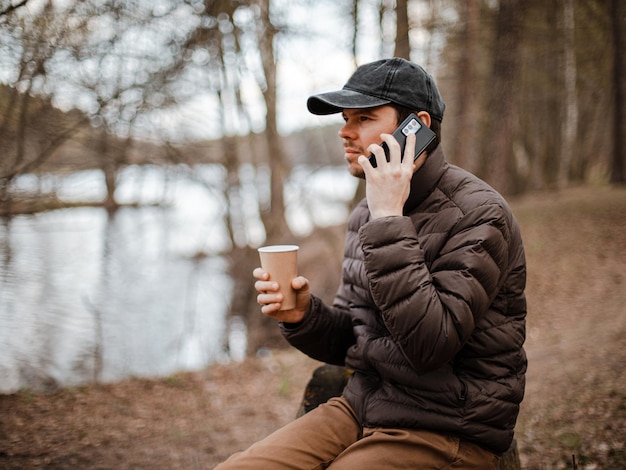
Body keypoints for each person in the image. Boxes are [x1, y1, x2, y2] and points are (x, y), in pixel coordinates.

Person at [216, 57, 527, 469]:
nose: (344, 132)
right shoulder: (367, 213)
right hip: (363, 407)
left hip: (449, 425)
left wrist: (388, 220)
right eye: (344, 119)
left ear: (417, 127)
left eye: (363, 118)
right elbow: (356, 339)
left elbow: (430, 345)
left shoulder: (479, 213)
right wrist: (303, 315)